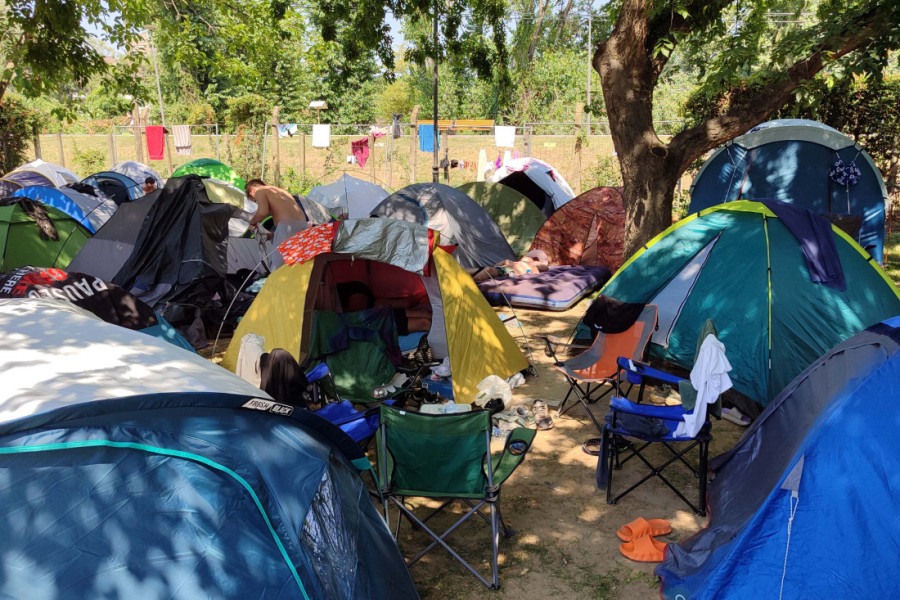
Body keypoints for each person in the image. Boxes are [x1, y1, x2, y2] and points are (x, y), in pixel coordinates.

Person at [245, 178, 308, 268]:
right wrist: (272, 235)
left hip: (287, 227)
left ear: (251, 189)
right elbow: (288, 220)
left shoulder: (260, 191)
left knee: (279, 264)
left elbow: (263, 212)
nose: (255, 200)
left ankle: (274, 281)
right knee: (297, 262)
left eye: (252, 198)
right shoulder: (279, 191)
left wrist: (252, 223)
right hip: (303, 226)